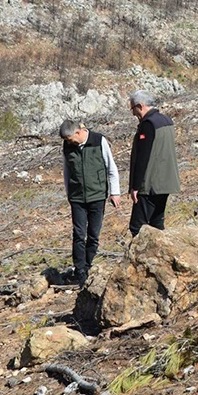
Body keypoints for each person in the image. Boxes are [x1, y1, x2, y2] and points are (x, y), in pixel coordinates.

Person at [59, 119, 122, 286]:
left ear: (78, 133)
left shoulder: (98, 141)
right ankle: (79, 270)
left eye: (70, 139)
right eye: (66, 140)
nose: (69, 142)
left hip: (97, 196)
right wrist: (69, 194)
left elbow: (111, 168)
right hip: (77, 198)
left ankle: (88, 265)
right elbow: (67, 172)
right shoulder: (67, 147)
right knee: (79, 235)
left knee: (93, 235)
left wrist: (115, 192)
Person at [127, 90, 181, 236]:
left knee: (137, 227)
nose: (133, 114)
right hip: (166, 182)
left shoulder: (148, 124)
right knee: (157, 224)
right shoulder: (166, 121)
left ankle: (139, 258)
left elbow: (143, 157)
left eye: (133, 109)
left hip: (150, 185)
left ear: (140, 105)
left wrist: (136, 186)